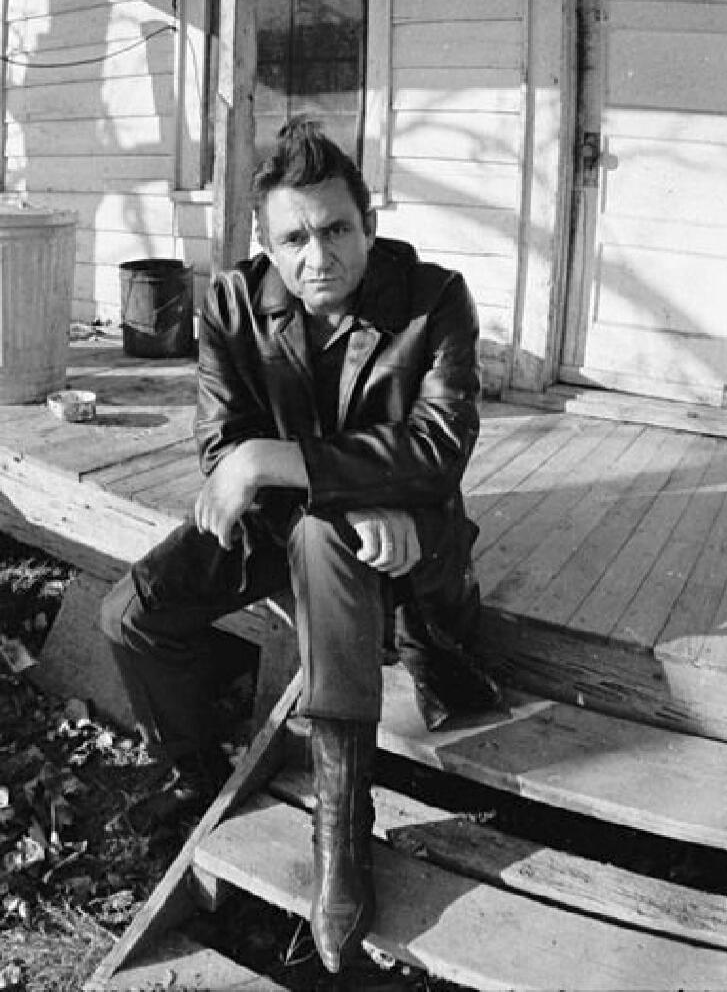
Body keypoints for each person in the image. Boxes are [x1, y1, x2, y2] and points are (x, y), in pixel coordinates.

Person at [101, 119, 502, 974]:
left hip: (415, 540)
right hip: (290, 525)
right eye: (293, 238)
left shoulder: (435, 300)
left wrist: (278, 463)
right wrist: (326, 490)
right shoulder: (232, 304)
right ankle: (200, 782)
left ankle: (341, 836)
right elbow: (222, 459)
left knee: (324, 536)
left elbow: (438, 449)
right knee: (130, 615)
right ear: (268, 246)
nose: (317, 256)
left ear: (369, 221)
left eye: (336, 230)